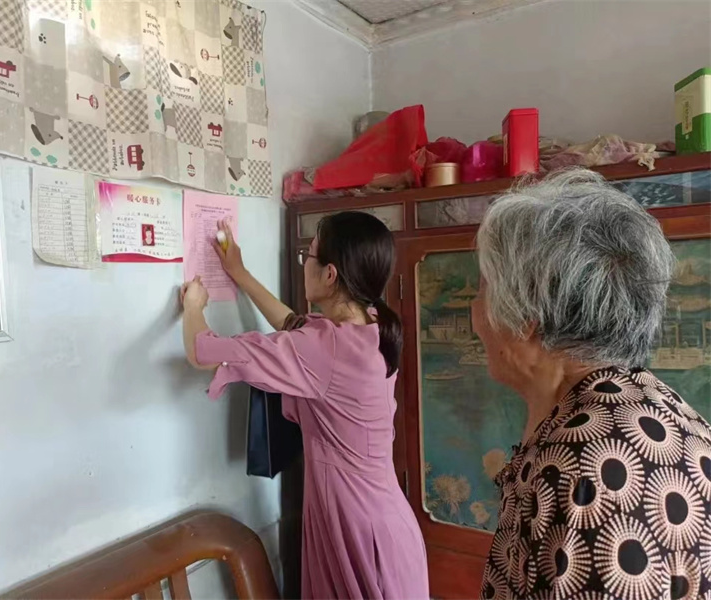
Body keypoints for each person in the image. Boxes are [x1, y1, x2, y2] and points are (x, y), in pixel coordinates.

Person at [473, 170, 711, 600]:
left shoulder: (583, 470)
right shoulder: (648, 404)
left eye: (482, 290)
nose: (475, 313)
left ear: (526, 318)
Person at [182, 212, 428, 599]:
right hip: (380, 516)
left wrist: (193, 306)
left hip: (355, 524)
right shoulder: (369, 323)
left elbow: (202, 351)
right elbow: (293, 326)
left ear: (330, 274)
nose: (304, 264)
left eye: (308, 255)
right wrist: (239, 273)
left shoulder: (325, 347)